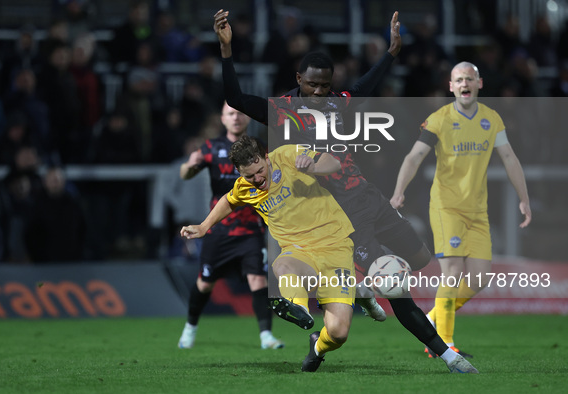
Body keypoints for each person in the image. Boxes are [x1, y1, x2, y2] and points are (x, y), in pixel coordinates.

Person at [213, 9, 478, 373]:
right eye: (312, 85)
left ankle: (360, 285)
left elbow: (367, 86)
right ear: (298, 79)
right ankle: (449, 357)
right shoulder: (282, 112)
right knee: (395, 285)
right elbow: (236, 97)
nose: (319, 93)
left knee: (419, 260)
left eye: (325, 85)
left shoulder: (338, 102)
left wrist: (391, 53)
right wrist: (226, 51)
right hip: (342, 214)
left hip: (369, 197)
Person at [390, 62, 532, 357]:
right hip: (446, 207)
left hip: (478, 211)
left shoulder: (492, 119)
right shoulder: (439, 119)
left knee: (479, 278)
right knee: (452, 272)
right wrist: (399, 191)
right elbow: (414, 156)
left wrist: (524, 198)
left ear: (479, 83)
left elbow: (509, 157)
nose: (464, 83)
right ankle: (445, 344)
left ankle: (433, 318)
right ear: (451, 86)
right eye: (459, 79)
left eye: (469, 78)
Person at [181, 136, 358, 372]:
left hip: (336, 245)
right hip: (299, 250)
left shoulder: (287, 155)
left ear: (265, 157)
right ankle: (299, 309)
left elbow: (333, 163)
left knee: (338, 332)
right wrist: (204, 226)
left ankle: (317, 346)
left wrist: (313, 166)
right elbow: (229, 200)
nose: (257, 179)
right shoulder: (245, 185)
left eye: (259, 171)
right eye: (249, 176)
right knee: (282, 266)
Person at [177, 103, 283, 350]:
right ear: (222, 119)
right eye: (231, 113)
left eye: (240, 112)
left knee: (258, 279)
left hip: (251, 229)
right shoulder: (210, 148)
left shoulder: (260, 147)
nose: (236, 117)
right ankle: (190, 328)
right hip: (219, 228)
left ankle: (266, 336)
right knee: (205, 282)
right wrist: (189, 165)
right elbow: (185, 175)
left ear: (248, 117)